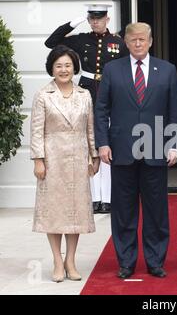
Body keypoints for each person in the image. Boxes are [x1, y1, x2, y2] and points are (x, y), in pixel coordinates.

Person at [94, 22, 177, 279]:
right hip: (121, 151)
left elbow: (175, 110)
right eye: (133, 39)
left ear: (151, 41)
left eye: (142, 39)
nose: (138, 43)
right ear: (126, 41)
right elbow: (102, 110)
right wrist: (103, 143)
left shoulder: (167, 70)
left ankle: (155, 261)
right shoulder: (112, 69)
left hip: (156, 150)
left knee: (156, 210)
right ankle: (126, 261)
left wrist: (175, 145)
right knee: (123, 211)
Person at [45, 4, 128, 214]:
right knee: (89, 147)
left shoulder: (118, 42)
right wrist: (73, 23)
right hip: (86, 94)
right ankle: (93, 198)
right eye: (92, 19)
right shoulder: (81, 39)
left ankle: (108, 198)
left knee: (106, 146)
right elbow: (51, 43)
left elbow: (128, 69)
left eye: (99, 19)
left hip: (110, 98)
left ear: (107, 20)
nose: (95, 22)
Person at [30, 45, 100, 282]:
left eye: (68, 65)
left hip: (79, 160)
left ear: (74, 68)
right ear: (52, 68)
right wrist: (38, 160)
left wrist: (95, 155)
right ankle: (57, 262)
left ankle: (71, 260)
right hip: (53, 160)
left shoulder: (84, 95)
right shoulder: (43, 95)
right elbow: (37, 131)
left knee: (76, 212)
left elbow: (90, 129)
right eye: (59, 65)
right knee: (54, 212)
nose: (64, 70)